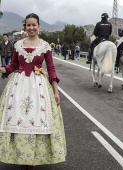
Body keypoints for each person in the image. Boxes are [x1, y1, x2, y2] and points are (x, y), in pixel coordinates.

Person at [0, 13, 66, 170]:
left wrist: (56, 92)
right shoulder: (18, 45)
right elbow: (14, 65)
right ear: (25, 27)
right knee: (18, 118)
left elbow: (51, 69)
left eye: (33, 25)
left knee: (38, 118)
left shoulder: (45, 46)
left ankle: (34, 158)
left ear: (39, 26)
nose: (31, 28)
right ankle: (22, 158)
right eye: (28, 25)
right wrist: (3, 69)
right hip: (19, 85)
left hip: (39, 86)